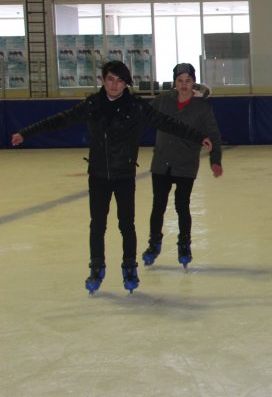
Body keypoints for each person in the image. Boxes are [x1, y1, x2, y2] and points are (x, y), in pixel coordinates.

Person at [10, 61, 212, 295]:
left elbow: (168, 123)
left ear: (126, 83)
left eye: (119, 81)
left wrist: (198, 136)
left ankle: (129, 266)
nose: (114, 85)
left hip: (124, 174)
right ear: (103, 80)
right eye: (110, 80)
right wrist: (26, 133)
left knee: (126, 224)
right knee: (97, 225)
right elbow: (59, 120)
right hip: (97, 175)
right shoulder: (93, 105)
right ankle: (97, 266)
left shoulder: (136, 107)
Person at [142, 63, 223, 270]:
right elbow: (142, 114)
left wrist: (215, 160)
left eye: (187, 81)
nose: (184, 85)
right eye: (180, 81)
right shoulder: (162, 101)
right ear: (174, 82)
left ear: (193, 82)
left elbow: (213, 135)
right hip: (161, 162)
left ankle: (184, 244)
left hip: (186, 163)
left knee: (182, 205)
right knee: (158, 205)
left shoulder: (202, 107)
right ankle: (154, 243)